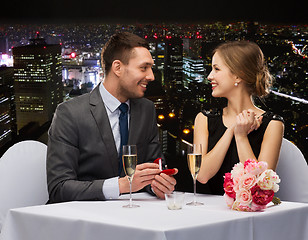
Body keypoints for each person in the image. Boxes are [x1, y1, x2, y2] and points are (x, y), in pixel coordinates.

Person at [47, 32, 177, 203]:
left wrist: (157, 184)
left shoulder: (146, 110)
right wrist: (121, 186)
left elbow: (154, 166)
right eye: (143, 68)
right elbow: (59, 188)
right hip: (84, 220)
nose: (151, 76)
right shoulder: (70, 114)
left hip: (135, 217)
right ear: (117, 68)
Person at [194, 41, 284, 195]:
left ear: (238, 75)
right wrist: (231, 130)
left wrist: (241, 136)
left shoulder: (273, 124)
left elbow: (261, 185)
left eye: (216, 69)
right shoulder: (204, 119)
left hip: (250, 216)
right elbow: (202, 175)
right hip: (208, 213)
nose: (209, 76)